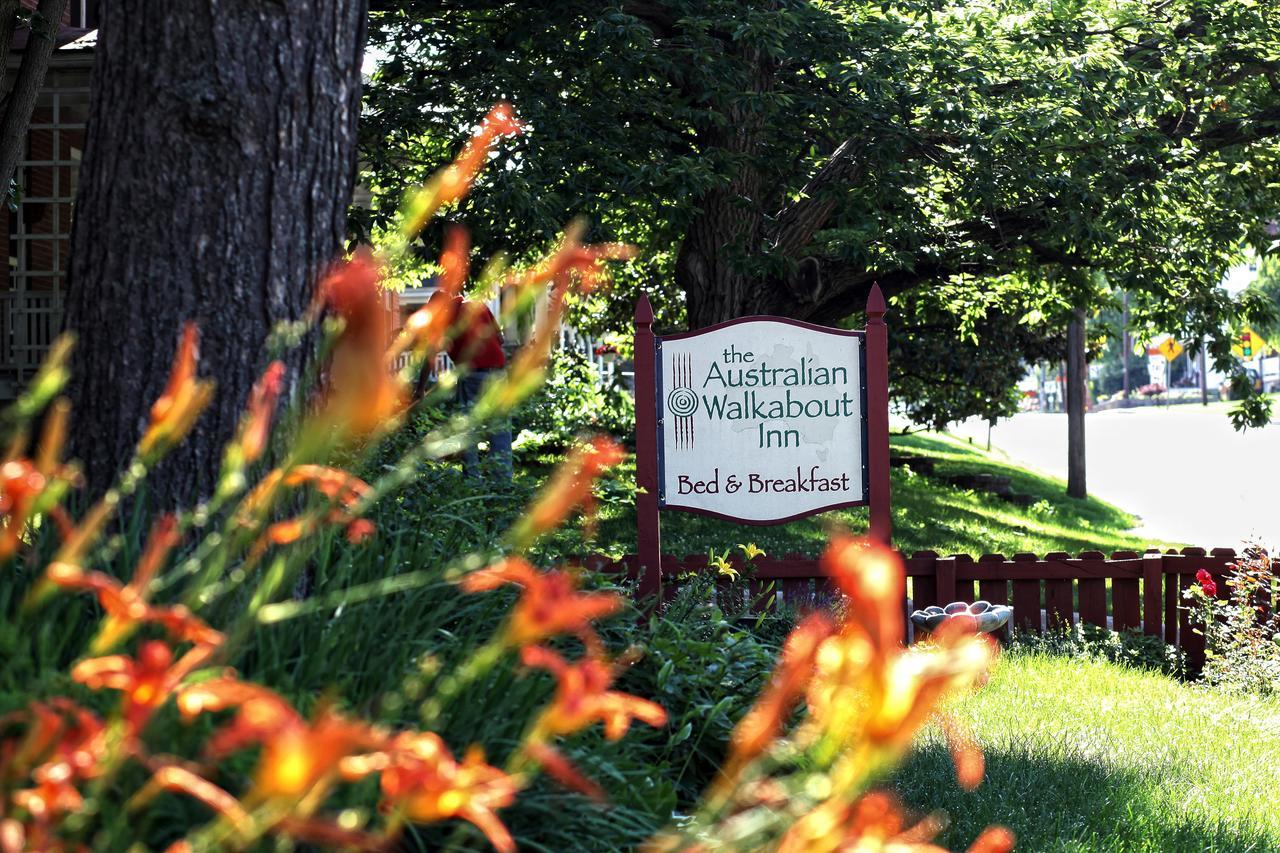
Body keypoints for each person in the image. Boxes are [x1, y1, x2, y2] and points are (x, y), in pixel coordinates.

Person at [426, 290, 512, 480]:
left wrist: (419, 389)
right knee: (499, 428)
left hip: (472, 375)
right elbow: (500, 338)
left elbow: (429, 353)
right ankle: (502, 481)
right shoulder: (478, 305)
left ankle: (472, 480)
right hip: (497, 373)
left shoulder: (445, 319)